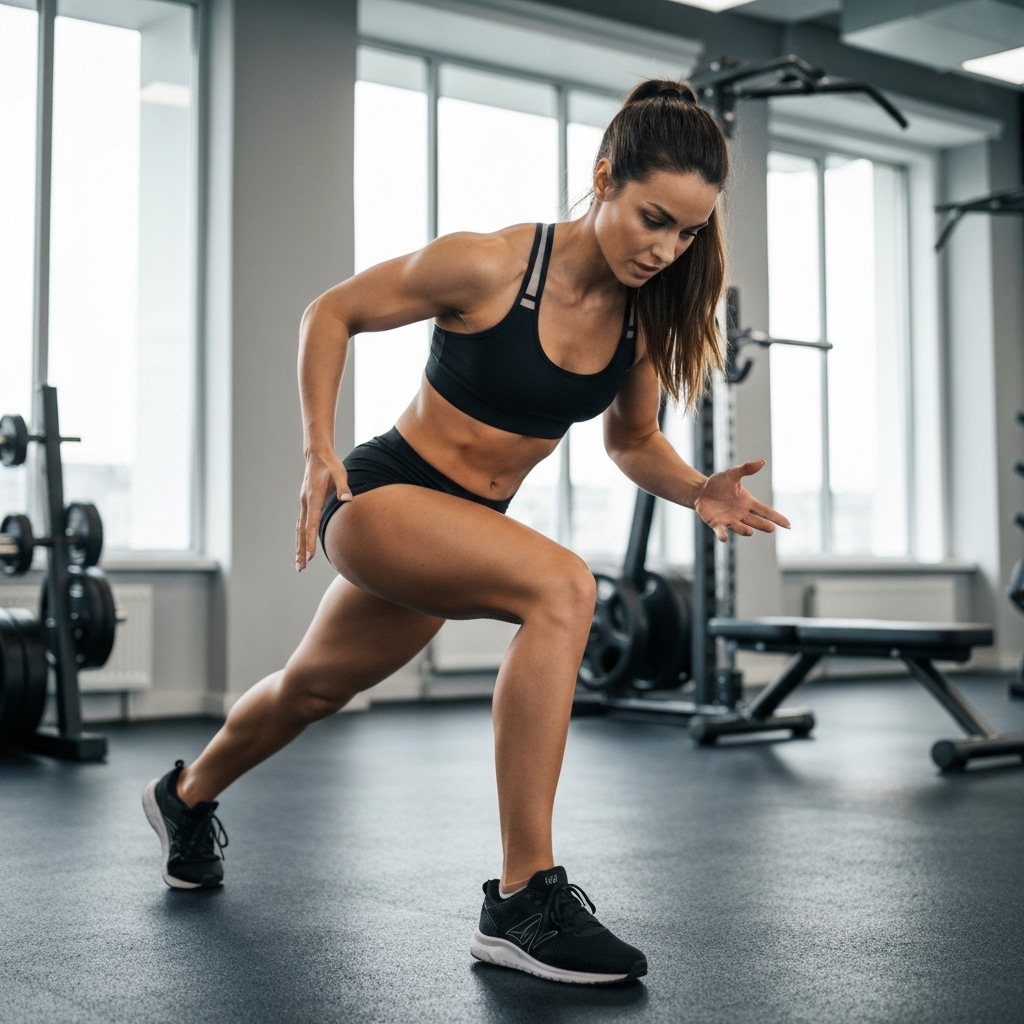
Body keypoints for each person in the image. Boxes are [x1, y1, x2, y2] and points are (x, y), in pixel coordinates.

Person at [143, 78, 789, 985]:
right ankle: (523, 898)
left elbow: (633, 440)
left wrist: (695, 491)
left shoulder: (641, 317)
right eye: (654, 219)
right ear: (604, 177)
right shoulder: (489, 265)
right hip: (377, 499)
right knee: (564, 588)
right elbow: (329, 312)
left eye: (686, 233)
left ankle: (183, 796)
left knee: (309, 690)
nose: (667, 248)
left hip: (459, 526)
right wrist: (316, 448)